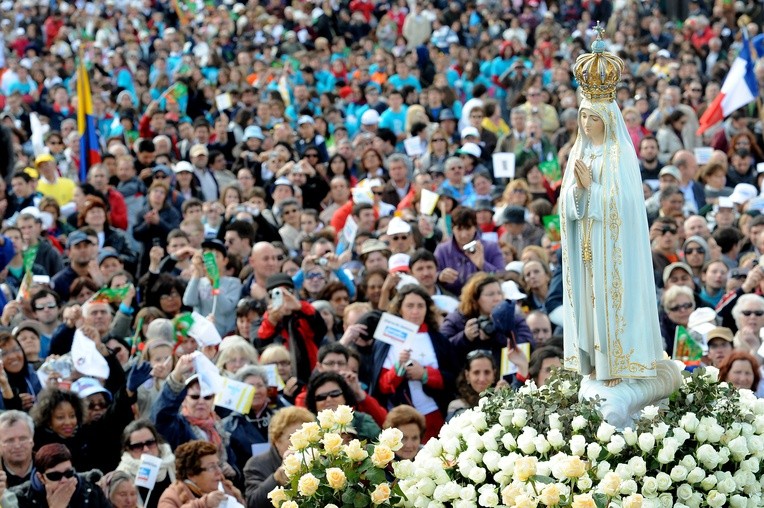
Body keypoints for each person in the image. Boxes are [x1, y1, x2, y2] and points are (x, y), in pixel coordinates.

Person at [559, 35, 664, 386]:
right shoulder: (580, 152)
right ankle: (592, 362)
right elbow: (565, 204)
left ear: (607, 118)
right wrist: (576, 192)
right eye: (583, 117)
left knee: (608, 299)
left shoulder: (619, 155)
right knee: (588, 302)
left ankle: (615, 365)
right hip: (585, 244)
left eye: (594, 118)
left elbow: (627, 205)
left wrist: (593, 189)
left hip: (611, 247)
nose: (588, 125)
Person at [242, 407, 314, 508]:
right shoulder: (256, 464)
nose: (299, 441)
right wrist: (277, 479)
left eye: (303, 436)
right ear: (276, 440)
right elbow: (254, 503)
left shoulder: (317, 459)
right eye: (291, 437)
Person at [12, 443, 112, 508]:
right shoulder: (21, 498)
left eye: (68, 473)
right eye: (55, 476)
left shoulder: (91, 490)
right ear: (41, 478)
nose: (64, 480)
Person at [156, 440, 243, 507]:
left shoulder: (226, 488)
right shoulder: (171, 498)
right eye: (211, 467)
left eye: (218, 465)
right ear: (191, 475)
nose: (219, 471)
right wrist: (203, 504)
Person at [115, 420, 175, 508]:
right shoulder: (121, 475)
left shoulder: (172, 462)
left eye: (150, 443)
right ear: (128, 449)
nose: (146, 449)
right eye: (137, 446)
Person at [446, 350, 503, 421]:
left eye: (487, 372)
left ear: (494, 374)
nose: (482, 378)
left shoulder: (503, 399)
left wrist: (504, 398)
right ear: (467, 376)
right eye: (476, 372)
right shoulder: (456, 406)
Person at [0, 410, 35, 488]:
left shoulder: (48, 466)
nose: (17, 445)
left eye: (23, 438)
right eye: (10, 440)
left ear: (32, 440)